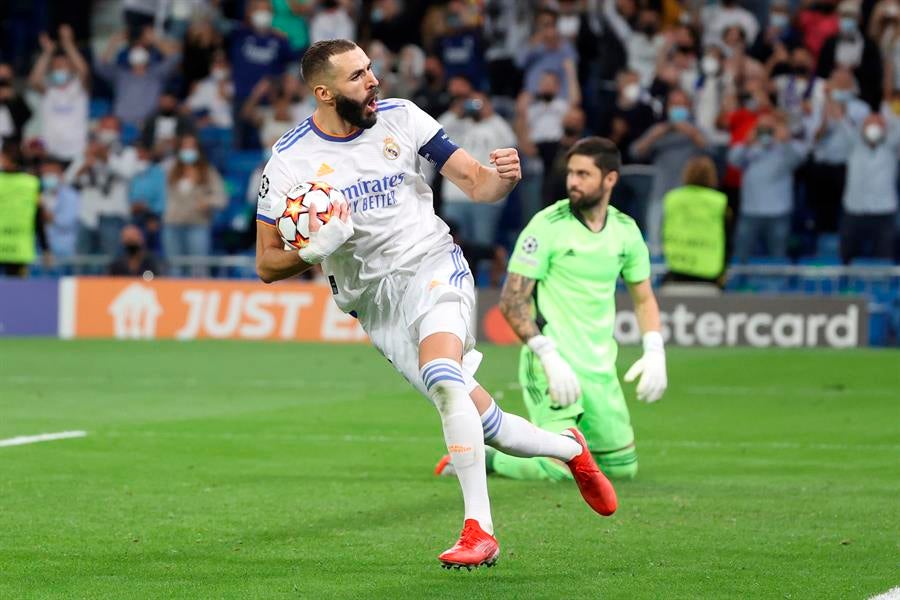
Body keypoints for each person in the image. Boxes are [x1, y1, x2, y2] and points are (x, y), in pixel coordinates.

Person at [255, 39, 617, 569]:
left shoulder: (403, 118)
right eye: (358, 76)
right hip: (374, 302)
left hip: (432, 264)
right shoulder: (290, 160)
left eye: (371, 69)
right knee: (480, 419)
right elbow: (267, 264)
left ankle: (479, 530)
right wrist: (315, 251)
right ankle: (570, 449)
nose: (373, 80)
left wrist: (504, 178)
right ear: (324, 92)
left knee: (444, 375)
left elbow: (478, 184)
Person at [662, 156, 728, 286]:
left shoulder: (672, 198)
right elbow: (727, 240)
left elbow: (663, 229)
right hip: (709, 271)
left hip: (676, 268)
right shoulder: (720, 201)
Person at [0, 144, 42, 276]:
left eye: (3, 158)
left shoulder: (31, 183)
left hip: (20, 247)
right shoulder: (31, 182)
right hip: (20, 246)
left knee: (17, 291)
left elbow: (37, 216)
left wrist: (45, 246)